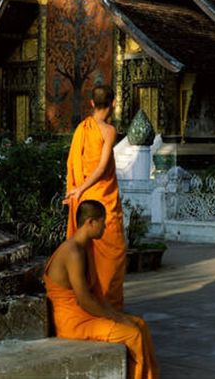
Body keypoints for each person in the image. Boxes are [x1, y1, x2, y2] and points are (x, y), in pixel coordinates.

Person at [45, 200, 160, 379]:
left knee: (141, 325)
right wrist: (116, 318)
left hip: (85, 315)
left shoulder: (86, 247)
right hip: (74, 322)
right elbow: (85, 300)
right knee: (132, 334)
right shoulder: (73, 252)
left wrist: (117, 315)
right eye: (102, 221)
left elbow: (96, 293)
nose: (105, 226)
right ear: (90, 222)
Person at [64, 84, 126, 308]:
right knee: (113, 255)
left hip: (84, 201)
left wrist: (75, 189)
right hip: (101, 202)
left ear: (91, 103)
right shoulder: (108, 131)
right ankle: (107, 305)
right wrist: (80, 189)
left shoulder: (82, 128)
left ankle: (89, 302)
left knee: (86, 253)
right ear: (114, 103)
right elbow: (101, 168)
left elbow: (71, 164)